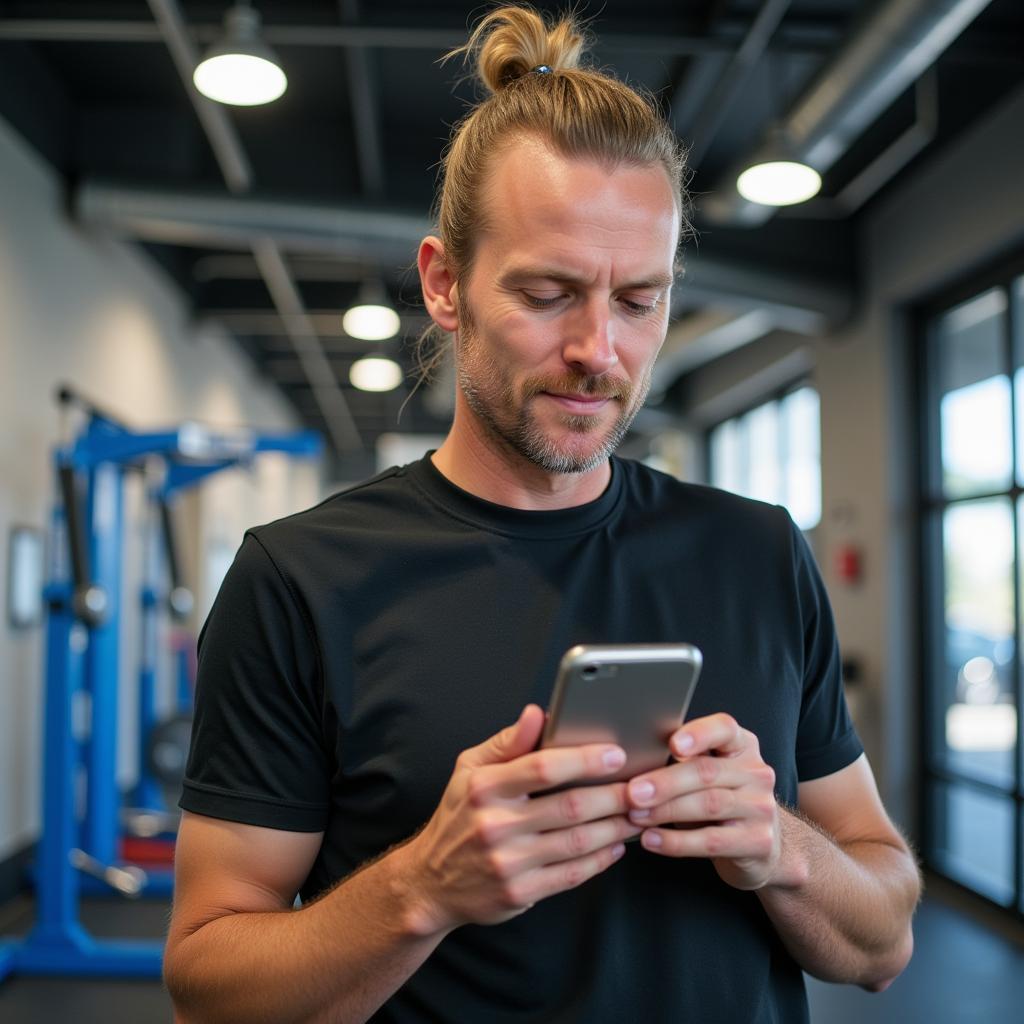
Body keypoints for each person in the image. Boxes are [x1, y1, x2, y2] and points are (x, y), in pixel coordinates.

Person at [163, 7, 921, 1023]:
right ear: (445, 284)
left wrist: (775, 843)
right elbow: (207, 988)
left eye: (638, 298)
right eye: (549, 291)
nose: (597, 349)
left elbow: (882, 941)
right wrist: (419, 888)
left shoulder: (758, 554)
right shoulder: (301, 580)